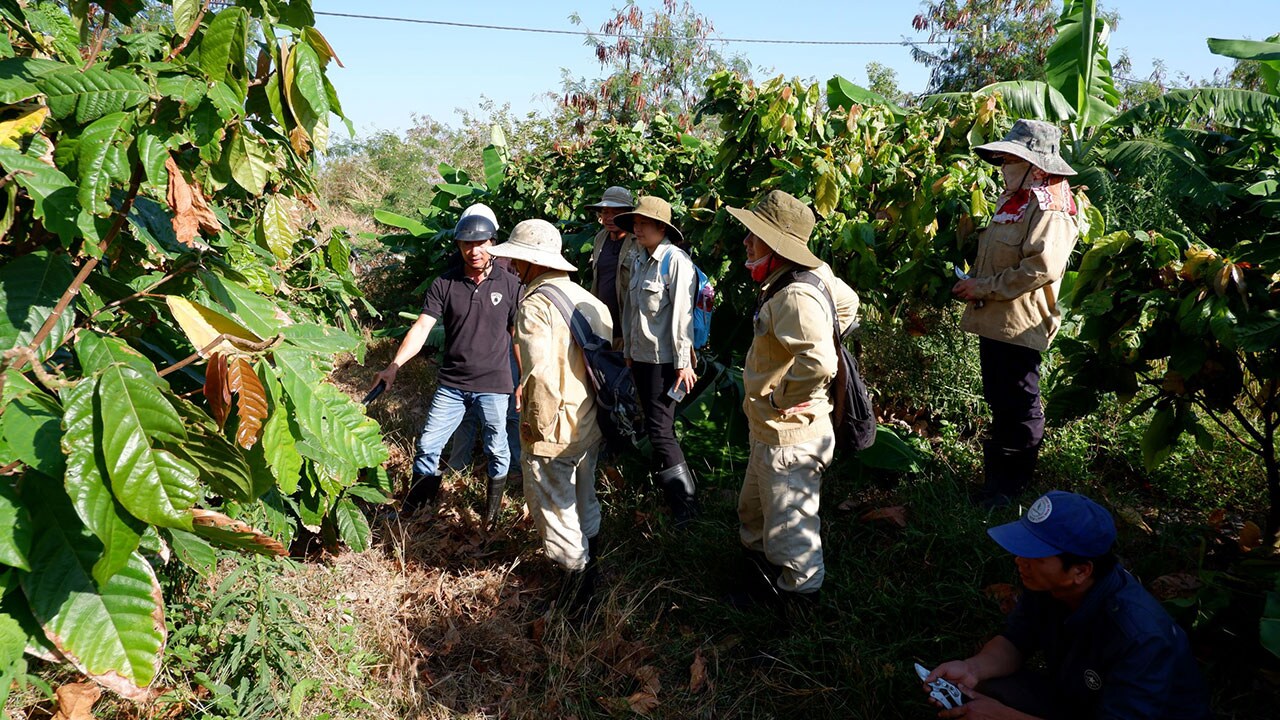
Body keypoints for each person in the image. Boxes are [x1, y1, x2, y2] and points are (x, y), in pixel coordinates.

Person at [924, 490, 1211, 720]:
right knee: (977, 690)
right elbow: (1015, 641)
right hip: (1078, 699)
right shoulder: (1047, 586)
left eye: (1036, 556)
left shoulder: (1139, 636)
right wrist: (972, 668)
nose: (1019, 560)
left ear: (1080, 571)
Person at [725, 190, 858, 607]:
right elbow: (848, 303)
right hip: (770, 429)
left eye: (755, 235)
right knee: (754, 513)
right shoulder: (805, 276)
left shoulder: (795, 295)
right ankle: (758, 581)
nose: (746, 242)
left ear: (778, 246)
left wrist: (786, 394)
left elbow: (819, 361)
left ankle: (795, 616)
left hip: (790, 436)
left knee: (790, 535)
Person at [952, 119, 1079, 508]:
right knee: (1001, 397)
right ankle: (996, 482)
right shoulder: (1016, 202)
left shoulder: (1050, 207)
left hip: (1020, 322)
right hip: (997, 320)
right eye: (1004, 159)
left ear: (1033, 164)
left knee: (1020, 402)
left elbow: (1041, 267)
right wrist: (973, 281)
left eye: (1010, 159)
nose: (1004, 166)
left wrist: (983, 287)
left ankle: (1011, 488)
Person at [485, 219, 611, 608]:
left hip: (554, 427)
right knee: (585, 497)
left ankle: (579, 596)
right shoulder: (589, 300)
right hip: (590, 421)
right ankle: (596, 566)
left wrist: (533, 431)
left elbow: (538, 374)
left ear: (528, 264)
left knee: (555, 511)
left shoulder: (535, 305)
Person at [369, 209, 521, 523]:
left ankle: (491, 517)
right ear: (458, 245)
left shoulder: (510, 284)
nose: (474, 250)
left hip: (495, 384)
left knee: (498, 449)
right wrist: (394, 365)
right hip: (452, 384)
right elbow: (422, 328)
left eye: (481, 242)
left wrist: (525, 378)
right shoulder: (445, 283)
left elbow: (517, 335)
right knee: (427, 445)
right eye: (467, 243)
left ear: (493, 241)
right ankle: (416, 510)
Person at [615, 196, 700, 526]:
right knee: (654, 426)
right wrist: (627, 351)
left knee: (661, 431)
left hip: (665, 361)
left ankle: (687, 509)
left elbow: (682, 316)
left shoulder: (674, 261)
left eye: (643, 223)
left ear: (661, 227)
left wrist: (683, 362)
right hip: (642, 358)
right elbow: (630, 309)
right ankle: (670, 496)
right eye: (634, 223)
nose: (636, 229)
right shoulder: (640, 258)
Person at [446, 204, 522, 480]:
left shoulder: (506, 265)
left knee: (504, 413)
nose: (474, 248)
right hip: (481, 353)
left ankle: (501, 467)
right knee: (488, 413)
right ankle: (502, 468)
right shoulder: (462, 266)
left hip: (503, 351)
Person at [584, 186, 637, 347]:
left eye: (616, 213)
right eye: (606, 212)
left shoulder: (638, 242)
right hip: (603, 328)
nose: (609, 218)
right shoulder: (600, 239)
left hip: (628, 329)